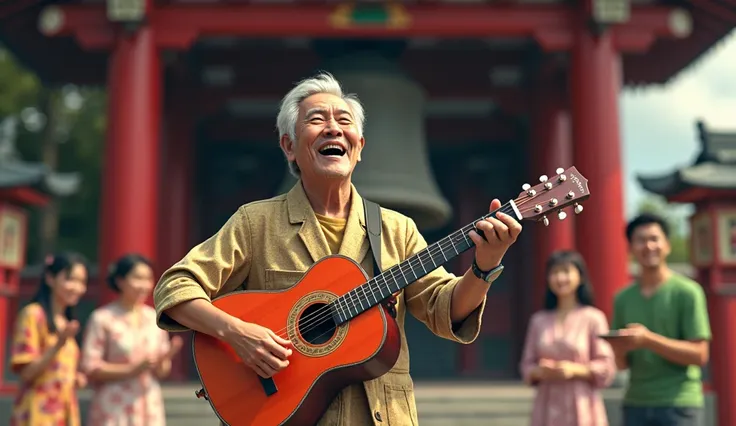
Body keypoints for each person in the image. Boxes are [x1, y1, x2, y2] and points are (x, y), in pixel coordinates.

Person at [153, 71, 523, 425]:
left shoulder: (397, 229)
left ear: (359, 147)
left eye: (344, 121)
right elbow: (175, 287)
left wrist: (483, 267)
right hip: (279, 414)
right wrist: (237, 332)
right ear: (289, 146)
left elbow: (446, 310)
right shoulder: (255, 223)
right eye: (317, 119)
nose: (333, 128)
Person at [609, 213, 711, 426]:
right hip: (635, 402)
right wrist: (617, 348)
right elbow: (622, 364)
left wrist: (648, 340)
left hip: (680, 403)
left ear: (667, 245)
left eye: (654, 239)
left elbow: (700, 355)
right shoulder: (622, 298)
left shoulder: (688, 292)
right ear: (630, 248)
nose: (648, 246)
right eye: (640, 240)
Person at [81, 253, 183, 426]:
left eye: (148, 279)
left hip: (148, 404)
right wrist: (131, 369)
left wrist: (165, 359)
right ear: (120, 280)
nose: (144, 285)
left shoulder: (153, 318)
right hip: (114, 406)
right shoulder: (102, 318)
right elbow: (90, 367)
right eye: (137, 278)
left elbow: (161, 372)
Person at [520, 250, 616, 426]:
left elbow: (607, 366)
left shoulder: (593, 318)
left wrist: (575, 370)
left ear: (580, 277)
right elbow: (526, 365)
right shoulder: (538, 320)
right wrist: (541, 371)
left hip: (582, 404)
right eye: (555, 272)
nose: (560, 277)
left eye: (566, 271)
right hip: (547, 404)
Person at [10, 252, 89, 426]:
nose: (77, 288)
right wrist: (57, 345)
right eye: (71, 279)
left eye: (82, 282)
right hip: (37, 413)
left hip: (65, 413)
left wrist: (74, 378)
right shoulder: (32, 315)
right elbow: (27, 373)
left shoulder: (66, 321)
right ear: (50, 278)